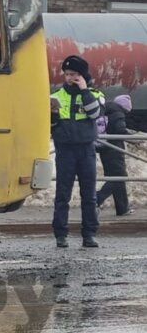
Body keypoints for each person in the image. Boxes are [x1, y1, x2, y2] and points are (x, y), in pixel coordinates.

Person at [50, 55, 105, 248]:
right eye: (67, 74)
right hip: (65, 150)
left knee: (89, 195)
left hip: (86, 149)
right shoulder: (56, 96)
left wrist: (84, 90)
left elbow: (95, 114)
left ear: (82, 75)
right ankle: (60, 235)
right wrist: (52, 118)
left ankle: (89, 234)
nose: (69, 78)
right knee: (62, 194)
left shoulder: (94, 94)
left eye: (73, 74)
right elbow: (50, 124)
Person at [97, 94, 135, 217]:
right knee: (119, 177)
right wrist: (133, 138)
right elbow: (119, 130)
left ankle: (122, 208)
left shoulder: (107, 110)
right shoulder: (118, 113)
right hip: (114, 149)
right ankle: (96, 199)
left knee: (116, 178)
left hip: (105, 148)